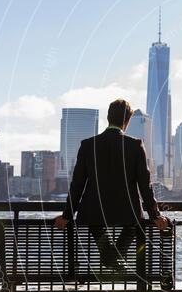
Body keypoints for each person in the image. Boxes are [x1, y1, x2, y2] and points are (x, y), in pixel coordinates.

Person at [54, 99, 168, 274]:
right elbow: (145, 185)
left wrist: (67, 215)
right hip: (127, 212)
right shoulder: (135, 145)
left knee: (96, 225)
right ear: (127, 121)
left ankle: (110, 259)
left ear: (108, 117)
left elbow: (77, 184)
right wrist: (155, 215)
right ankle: (112, 260)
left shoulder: (87, 145)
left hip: (93, 212)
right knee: (136, 225)